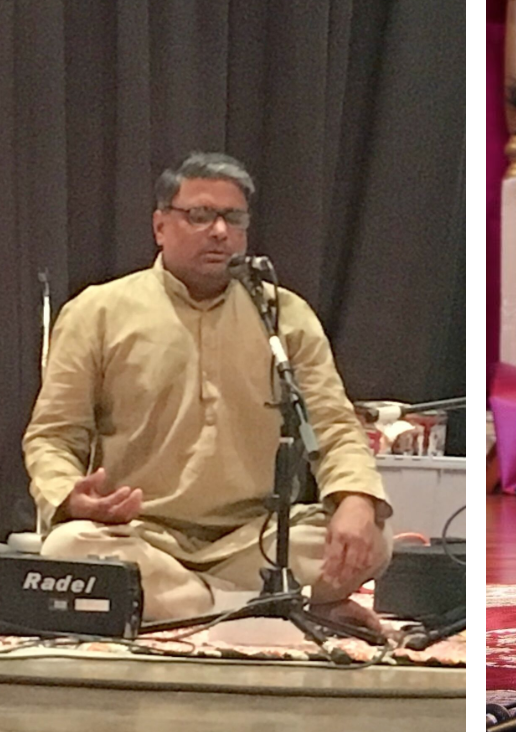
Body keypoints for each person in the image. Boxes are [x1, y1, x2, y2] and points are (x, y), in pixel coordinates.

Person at [23, 152, 392, 630]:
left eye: (232, 218)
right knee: (68, 549)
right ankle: (270, 611)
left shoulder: (284, 315)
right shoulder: (99, 311)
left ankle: (194, 610)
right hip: (140, 537)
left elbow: (335, 427)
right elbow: (51, 436)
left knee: (374, 541)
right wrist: (72, 499)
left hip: (256, 541)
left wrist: (356, 500)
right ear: (160, 226)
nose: (219, 231)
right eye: (199, 215)